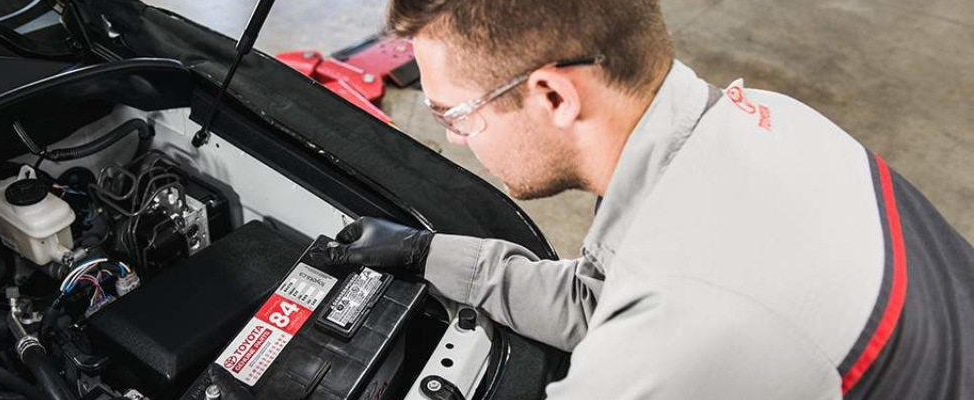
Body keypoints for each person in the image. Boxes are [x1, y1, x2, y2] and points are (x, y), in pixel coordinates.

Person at [327, 0, 974, 398]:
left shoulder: (678, 333)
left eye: (457, 117)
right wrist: (425, 253)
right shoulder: (768, 120)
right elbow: (597, 301)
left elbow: (667, 323)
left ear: (555, 96)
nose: (458, 143)